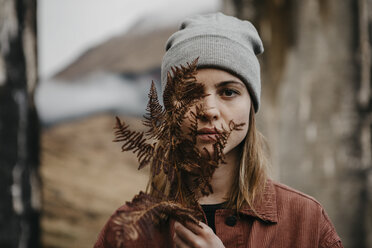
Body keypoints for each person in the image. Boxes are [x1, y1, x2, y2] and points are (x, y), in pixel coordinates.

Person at [94, 12, 343, 248]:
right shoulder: (126, 232)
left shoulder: (306, 223)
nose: (208, 110)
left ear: (250, 105)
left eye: (228, 92)